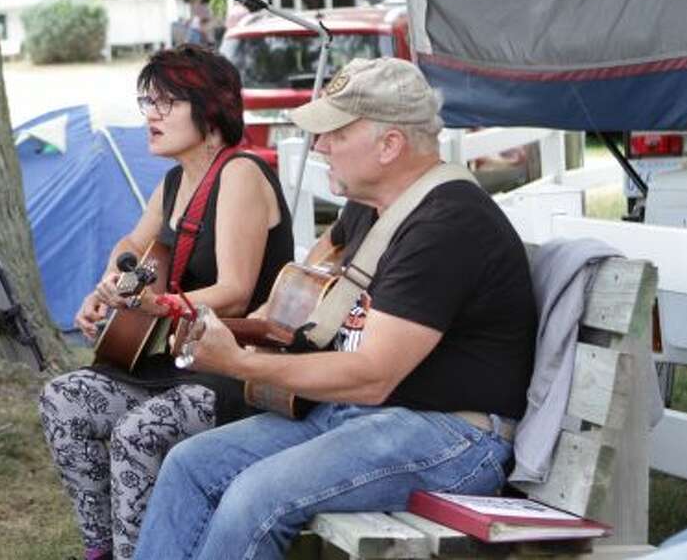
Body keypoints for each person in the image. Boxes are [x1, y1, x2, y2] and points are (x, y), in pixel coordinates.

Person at [134, 57, 537, 560]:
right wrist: (209, 322)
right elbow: (307, 292)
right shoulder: (371, 208)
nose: (319, 146)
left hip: (448, 432)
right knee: (188, 464)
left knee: (255, 497)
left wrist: (237, 361)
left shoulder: (447, 224)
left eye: (334, 135)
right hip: (366, 414)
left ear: (390, 145)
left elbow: (372, 375)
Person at [38, 45, 294, 560]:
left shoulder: (240, 173)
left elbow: (236, 292)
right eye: (146, 101)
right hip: (174, 364)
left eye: (166, 103)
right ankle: (103, 551)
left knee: (137, 433)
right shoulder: (177, 180)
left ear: (210, 108)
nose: (150, 115)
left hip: (235, 368)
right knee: (61, 400)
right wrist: (106, 288)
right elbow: (133, 245)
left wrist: (163, 306)